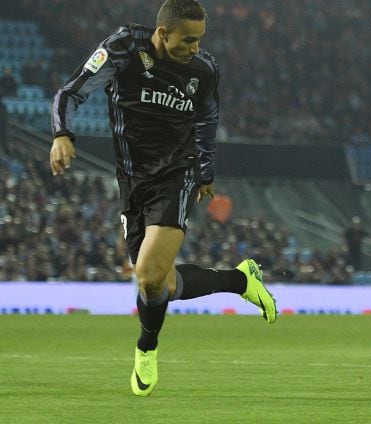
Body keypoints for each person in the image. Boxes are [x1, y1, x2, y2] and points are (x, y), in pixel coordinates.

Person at [49, 0, 276, 397]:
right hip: (131, 179)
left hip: (177, 174)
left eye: (200, 39)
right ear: (163, 33)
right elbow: (71, 92)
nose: (195, 48)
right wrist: (61, 133)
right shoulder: (123, 48)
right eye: (188, 40)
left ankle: (146, 348)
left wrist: (205, 172)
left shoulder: (203, 70)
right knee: (158, 285)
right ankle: (241, 279)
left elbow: (207, 119)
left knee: (151, 275)